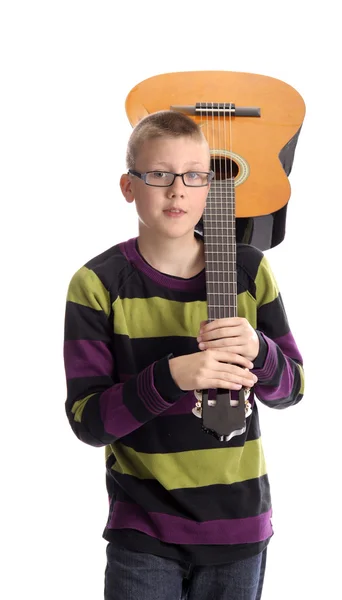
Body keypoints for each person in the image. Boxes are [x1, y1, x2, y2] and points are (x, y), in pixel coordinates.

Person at [63, 110, 305, 600]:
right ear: (129, 186)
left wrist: (259, 351)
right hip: (143, 527)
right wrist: (171, 376)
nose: (178, 190)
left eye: (195, 176)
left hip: (240, 527)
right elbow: (88, 422)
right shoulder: (97, 284)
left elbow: (293, 389)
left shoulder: (248, 271)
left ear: (211, 187)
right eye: (159, 174)